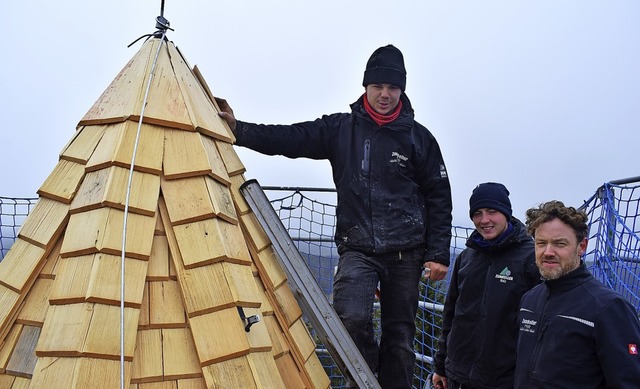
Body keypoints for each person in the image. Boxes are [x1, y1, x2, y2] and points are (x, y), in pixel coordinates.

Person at [216, 44, 453, 388]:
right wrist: (240, 130)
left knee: (399, 336)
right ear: (365, 88)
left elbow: (439, 197)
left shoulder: (420, 139)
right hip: (357, 248)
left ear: (402, 90)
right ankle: (368, 376)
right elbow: (291, 137)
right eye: (378, 87)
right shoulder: (341, 129)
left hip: (407, 251)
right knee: (350, 318)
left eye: (393, 87)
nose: (385, 95)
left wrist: (437, 253)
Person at [515, 200, 640, 388]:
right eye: (541, 243)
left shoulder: (609, 308)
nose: (548, 252)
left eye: (560, 243)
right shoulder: (529, 300)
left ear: (582, 247)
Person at [432, 182, 541, 389]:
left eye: (492, 211)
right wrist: (441, 366)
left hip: (504, 379)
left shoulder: (531, 257)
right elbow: (451, 314)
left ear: (506, 213)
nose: (484, 220)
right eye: (477, 213)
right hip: (458, 374)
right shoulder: (466, 257)